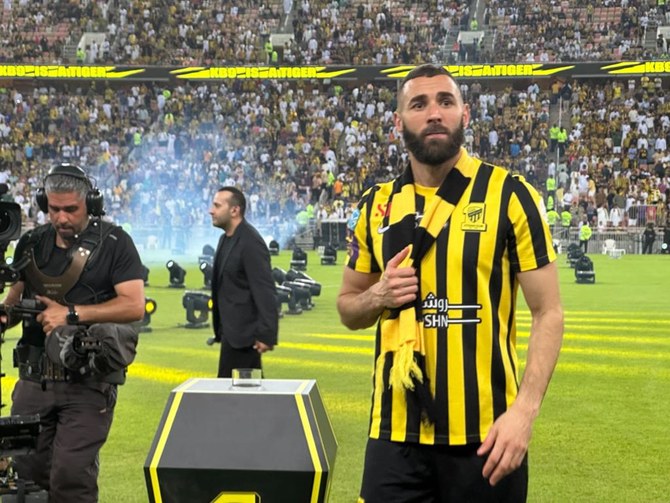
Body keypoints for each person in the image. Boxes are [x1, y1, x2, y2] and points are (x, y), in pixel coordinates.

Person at [336, 64, 563, 502]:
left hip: (487, 436)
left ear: (466, 114)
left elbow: (548, 312)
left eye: (446, 101)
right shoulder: (377, 205)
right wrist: (379, 295)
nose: (434, 113)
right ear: (399, 122)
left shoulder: (511, 195)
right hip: (393, 435)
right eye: (419, 104)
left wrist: (524, 414)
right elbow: (348, 307)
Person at [1, 163, 145, 502]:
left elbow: (134, 305)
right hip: (33, 380)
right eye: (53, 209)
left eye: (71, 209)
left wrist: (71, 314)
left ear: (90, 205)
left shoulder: (115, 243)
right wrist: (6, 315)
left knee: (71, 478)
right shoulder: (31, 243)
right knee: (25, 479)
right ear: (43, 204)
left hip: (87, 383)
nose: (61, 218)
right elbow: (13, 301)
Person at [208, 186, 278, 377]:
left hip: (246, 337)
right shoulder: (225, 239)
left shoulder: (250, 242)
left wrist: (266, 334)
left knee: (245, 400)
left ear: (234, 210)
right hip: (231, 334)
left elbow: (264, 289)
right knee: (233, 397)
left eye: (217, 205)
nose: (211, 210)